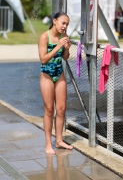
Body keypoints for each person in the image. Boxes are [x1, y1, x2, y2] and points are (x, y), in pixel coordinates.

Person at [38, 12, 73, 154]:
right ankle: (48, 143)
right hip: (46, 74)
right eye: (63, 23)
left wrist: (67, 49)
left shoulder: (64, 37)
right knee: (49, 110)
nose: (65, 27)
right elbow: (43, 59)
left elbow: (65, 58)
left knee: (62, 108)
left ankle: (58, 141)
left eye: (67, 24)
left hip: (59, 74)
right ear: (54, 21)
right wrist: (58, 46)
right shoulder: (44, 37)